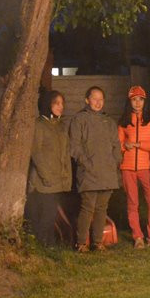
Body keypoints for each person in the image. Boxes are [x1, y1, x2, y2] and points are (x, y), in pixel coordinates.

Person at [69, 86, 122, 252]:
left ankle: (98, 242)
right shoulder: (79, 119)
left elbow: (116, 145)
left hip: (107, 173)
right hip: (89, 173)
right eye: (94, 98)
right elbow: (74, 146)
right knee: (87, 208)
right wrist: (86, 163)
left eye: (101, 99)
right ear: (87, 100)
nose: (98, 102)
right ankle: (81, 242)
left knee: (101, 209)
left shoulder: (109, 121)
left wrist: (115, 162)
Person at [117, 85, 150, 249]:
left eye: (140, 100)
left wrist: (138, 144)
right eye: (134, 100)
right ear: (129, 101)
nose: (137, 103)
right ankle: (138, 237)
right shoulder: (124, 120)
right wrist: (125, 146)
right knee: (132, 202)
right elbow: (118, 143)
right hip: (127, 167)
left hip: (146, 166)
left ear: (145, 101)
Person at [24, 90, 72, 247]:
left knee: (51, 214)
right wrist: (45, 175)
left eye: (62, 104)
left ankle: (49, 242)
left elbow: (65, 152)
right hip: (43, 181)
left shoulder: (61, 126)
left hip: (58, 178)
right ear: (47, 104)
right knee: (45, 214)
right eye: (56, 103)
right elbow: (35, 152)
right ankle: (43, 243)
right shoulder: (39, 125)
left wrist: (65, 174)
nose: (60, 107)